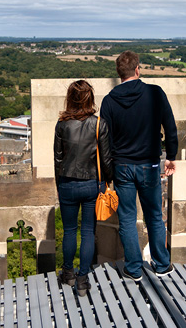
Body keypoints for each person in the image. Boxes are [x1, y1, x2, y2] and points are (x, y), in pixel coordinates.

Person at [99, 51, 178, 281]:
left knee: (127, 218)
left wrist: (107, 172)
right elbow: (170, 127)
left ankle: (133, 269)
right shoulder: (154, 93)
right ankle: (161, 265)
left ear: (118, 73)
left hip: (121, 166)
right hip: (149, 165)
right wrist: (171, 156)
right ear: (137, 69)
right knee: (154, 215)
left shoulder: (109, 100)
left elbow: (104, 140)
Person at [54, 80, 112, 296]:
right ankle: (83, 280)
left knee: (69, 231)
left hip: (67, 183)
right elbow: (106, 159)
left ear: (70, 99)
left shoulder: (62, 124)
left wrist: (59, 184)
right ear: (90, 98)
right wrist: (108, 180)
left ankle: (68, 273)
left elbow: (57, 159)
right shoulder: (99, 124)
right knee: (88, 231)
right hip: (91, 184)